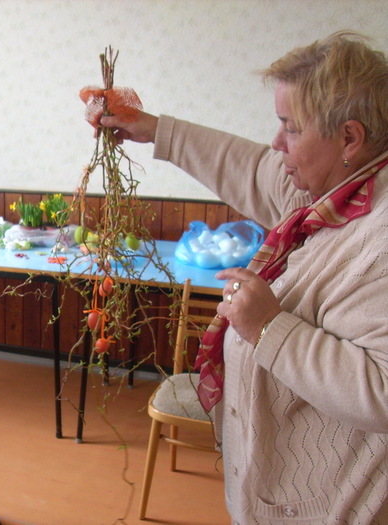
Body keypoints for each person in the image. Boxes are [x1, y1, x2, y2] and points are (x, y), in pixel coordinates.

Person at [97, 31, 388, 523]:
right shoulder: (332, 193)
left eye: (290, 128)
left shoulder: (378, 236)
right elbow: (250, 166)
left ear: (349, 138)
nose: (277, 143)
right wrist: (153, 130)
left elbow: (380, 391)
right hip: (278, 495)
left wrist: (269, 328)